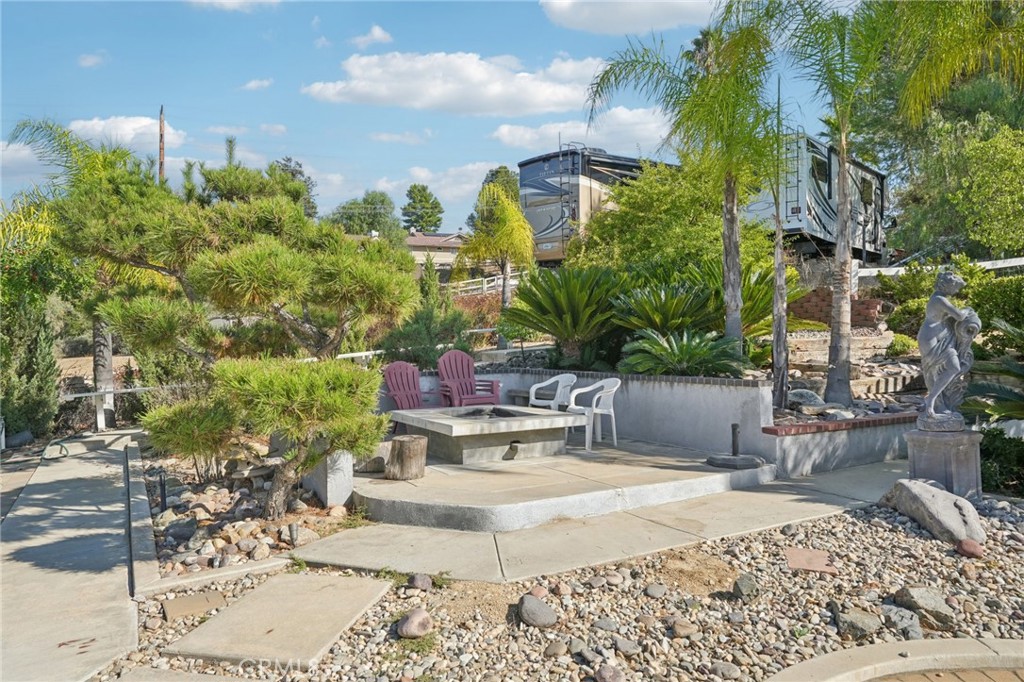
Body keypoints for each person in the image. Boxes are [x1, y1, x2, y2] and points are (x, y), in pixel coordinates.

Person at [917, 272, 981, 420]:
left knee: (954, 367)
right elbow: (959, 316)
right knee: (935, 370)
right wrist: (968, 310)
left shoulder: (941, 298)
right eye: (956, 287)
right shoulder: (939, 300)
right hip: (930, 338)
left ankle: (933, 400)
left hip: (940, 338)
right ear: (948, 285)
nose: (956, 291)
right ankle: (933, 402)